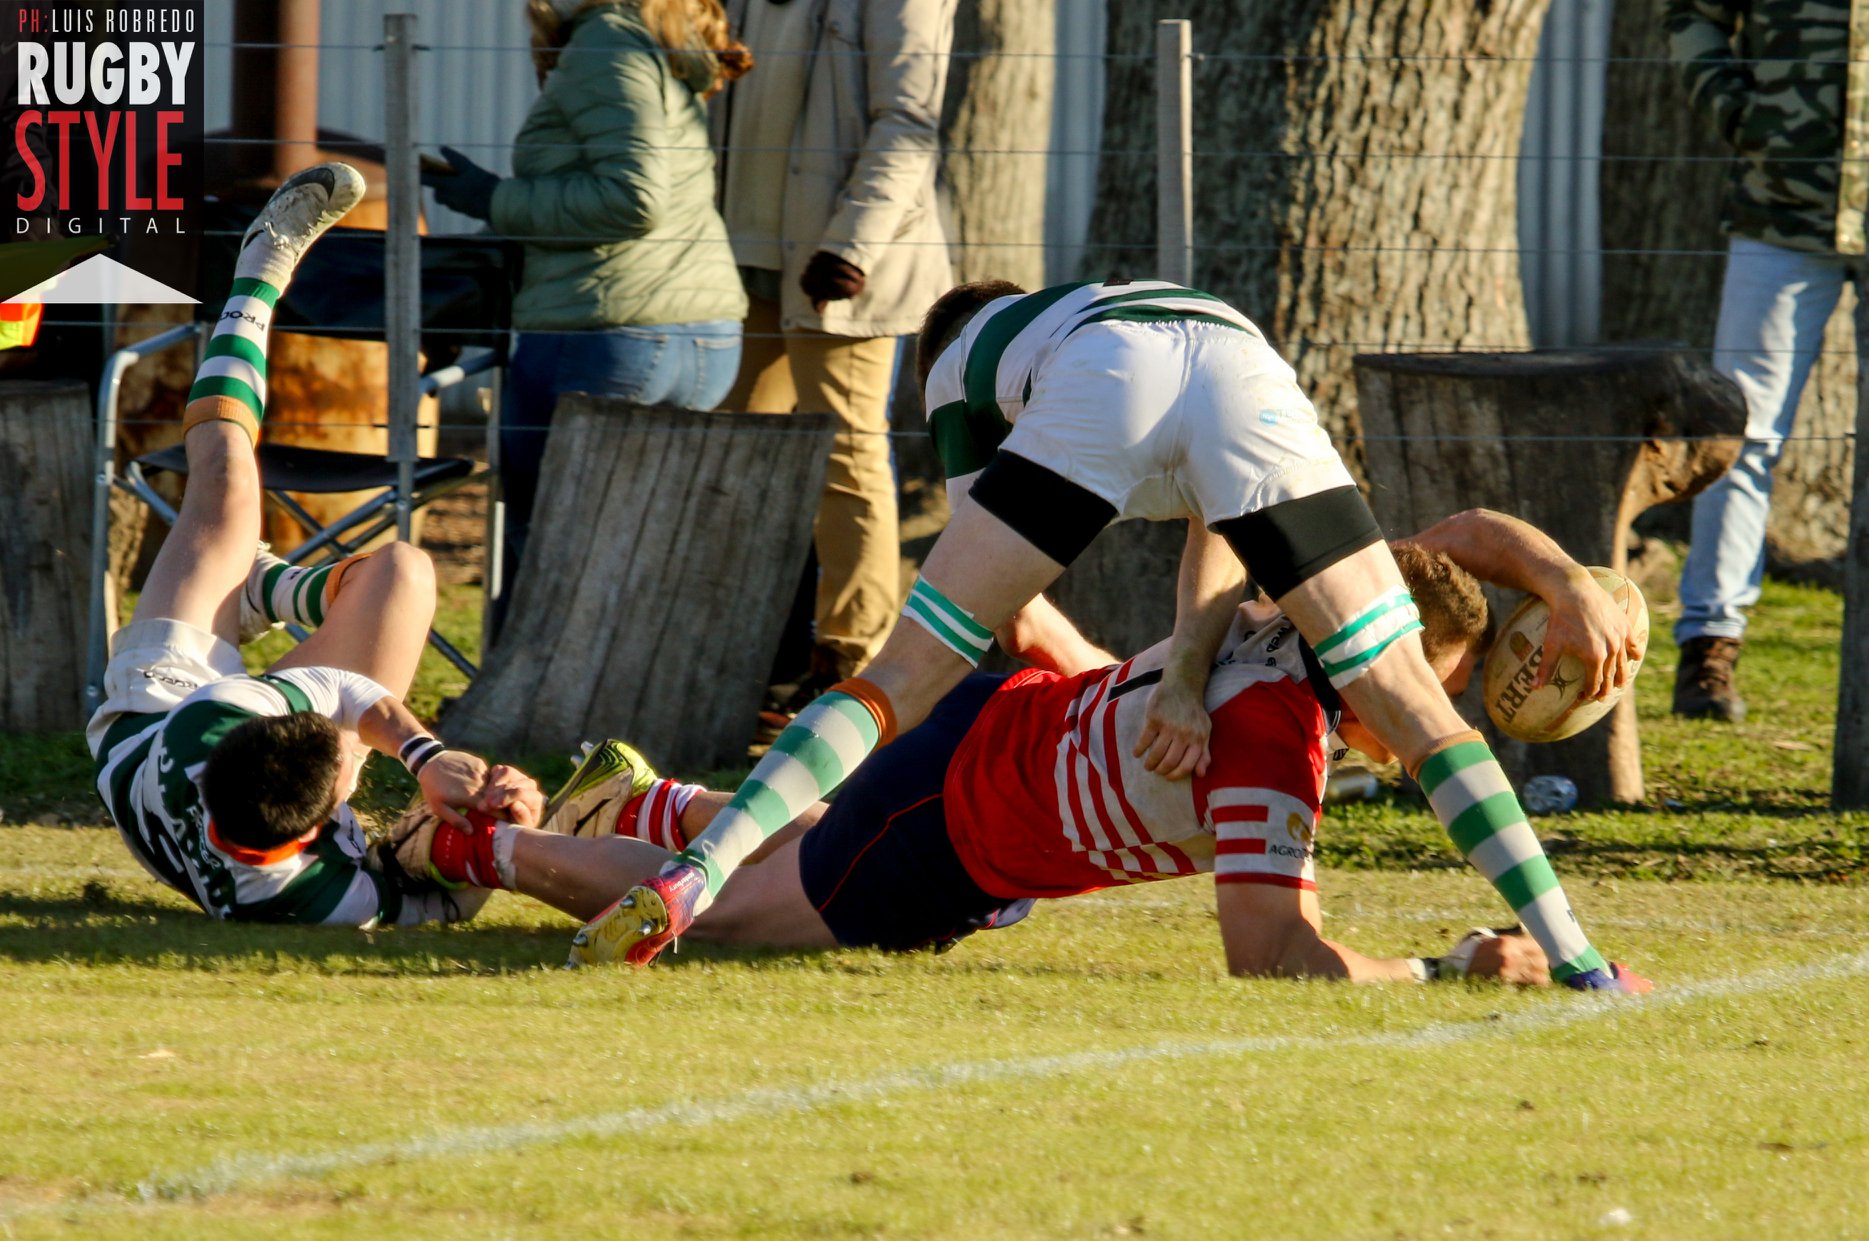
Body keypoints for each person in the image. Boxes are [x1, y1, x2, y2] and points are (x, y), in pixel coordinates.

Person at [575, 279, 1648, 994]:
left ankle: (690, 869)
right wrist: (1159, 684)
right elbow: (1232, 533)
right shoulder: (1075, 325)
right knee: (1417, 711)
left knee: (903, 672)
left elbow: (1014, 617)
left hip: (1123, 379)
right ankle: (1582, 959)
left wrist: (1175, 679)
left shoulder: (965, 375)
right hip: (1247, 367)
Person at [402, 512, 1640, 989]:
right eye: (1430, 681)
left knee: (785, 835)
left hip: (988, 745)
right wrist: (1453, 964)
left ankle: (652, 800)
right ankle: (476, 840)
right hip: (951, 832)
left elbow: (1251, 518)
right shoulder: (1276, 742)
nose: (1428, 710)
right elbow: (1273, 957)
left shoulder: (1301, 606)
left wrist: (1569, 584)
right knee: (721, 919)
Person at [87, 164, 541, 926]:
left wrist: (424, 758)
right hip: (208, 767)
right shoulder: (310, 897)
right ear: (329, 801)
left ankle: (257, 274)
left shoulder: (209, 723)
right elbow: (446, 907)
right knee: (402, 568)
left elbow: (347, 696)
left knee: (226, 481)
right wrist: (508, 827)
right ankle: (256, 585)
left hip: (151, 718)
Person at [424, 0, 753, 619]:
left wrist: (496, 199)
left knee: (553, 544)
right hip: (695, 334)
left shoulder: (608, 42)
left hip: (609, 334)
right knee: (639, 548)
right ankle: (624, 703)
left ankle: (529, 708)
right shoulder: (652, 40)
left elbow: (633, 199)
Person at [710, 0, 958, 697]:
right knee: (744, 463)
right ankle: (757, 661)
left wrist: (852, 244)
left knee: (846, 457)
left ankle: (857, 669)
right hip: (743, 253)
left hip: (836, 263)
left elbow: (907, 122)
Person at [1663, 0, 1860, 722]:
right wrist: (1741, 114)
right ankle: (1708, 647)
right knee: (1737, 434)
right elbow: (1689, 12)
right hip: (1779, 211)